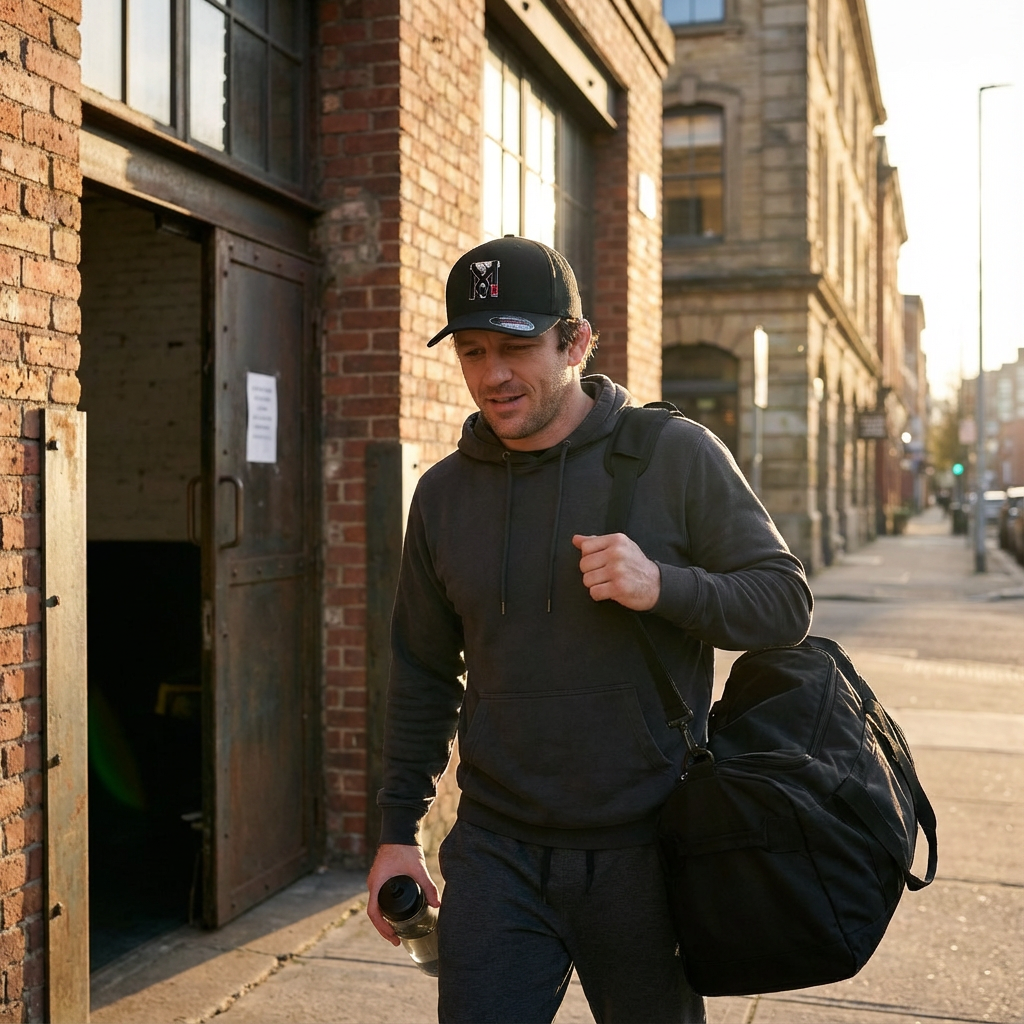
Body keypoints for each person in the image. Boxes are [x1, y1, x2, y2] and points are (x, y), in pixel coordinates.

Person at [366, 236, 813, 1023]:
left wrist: (662, 585)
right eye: (472, 351)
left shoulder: (672, 455)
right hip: (497, 849)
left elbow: (784, 602)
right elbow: (423, 673)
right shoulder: (442, 495)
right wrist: (398, 829)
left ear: (575, 342)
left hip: (648, 848)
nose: (492, 375)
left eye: (516, 347)